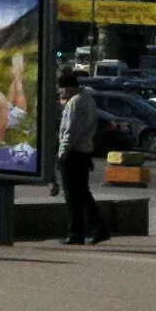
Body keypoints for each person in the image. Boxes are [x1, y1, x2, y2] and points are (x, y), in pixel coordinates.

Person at [54, 69, 108, 246]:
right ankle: (99, 229)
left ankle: (76, 233)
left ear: (68, 88)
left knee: (73, 196)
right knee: (83, 193)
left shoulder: (75, 103)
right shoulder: (88, 99)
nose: (61, 93)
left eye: (62, 89)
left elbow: (70, 131)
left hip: (73, 154)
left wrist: (63, 153)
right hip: (83, 153)